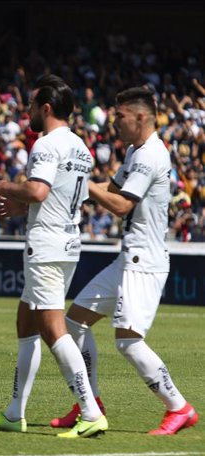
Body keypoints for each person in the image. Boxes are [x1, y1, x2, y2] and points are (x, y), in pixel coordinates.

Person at [50, 87, 199, 435]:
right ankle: (91, 402)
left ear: (140, 117)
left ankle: (179, 407)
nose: (113, 123)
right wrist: (75, 184)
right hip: (128, 258)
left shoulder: (151, 156)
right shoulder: (135, 151)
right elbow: (113, 189)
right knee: (74, 323)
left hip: (144, 262)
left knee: (128, 341)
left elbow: (120, 205)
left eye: (119, 116)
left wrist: (82, 183)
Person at [0, 75, 107, 438]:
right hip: (66, 240)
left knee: (52, 327)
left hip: (46, 245)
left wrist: (4, 186)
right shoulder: (81, 146)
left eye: (32, 105)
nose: (28, 111)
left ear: (46, 108)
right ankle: (14, 413)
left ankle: (91, 410)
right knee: (26, 321)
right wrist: (22, 209)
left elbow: (37, 190)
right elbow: (59, 197)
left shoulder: (46, 144)